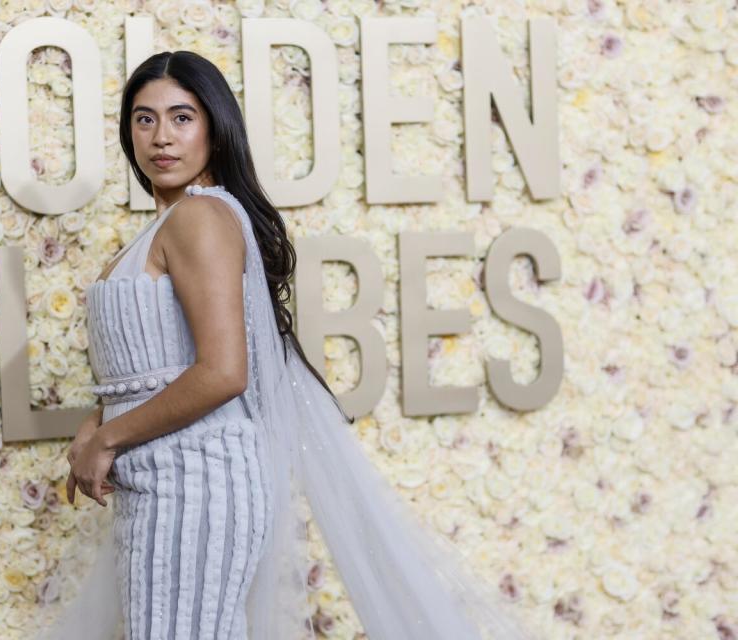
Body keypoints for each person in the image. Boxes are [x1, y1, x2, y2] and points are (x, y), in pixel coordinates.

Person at [38, 51, 537, 640]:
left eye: (181, 117)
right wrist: (97, 422)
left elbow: (224, 372)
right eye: (144, 120)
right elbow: (155, 359)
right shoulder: (172, 223)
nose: (161, 137)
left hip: (194, 482)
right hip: (164, 478)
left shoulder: (199, 218)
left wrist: (108, 437)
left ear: (214, 128)